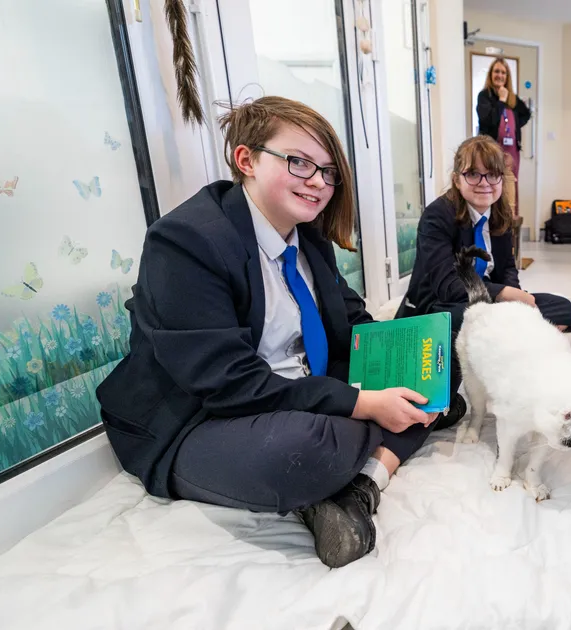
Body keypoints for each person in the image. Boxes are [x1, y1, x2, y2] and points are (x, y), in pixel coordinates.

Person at [96, 96, 443, 569]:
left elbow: (352, 326)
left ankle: (362, 485)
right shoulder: (186, 242)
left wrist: (410, 355)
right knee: (306, 447)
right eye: (299, 162)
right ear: (246, 159)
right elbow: (228, 383)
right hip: (201, 419)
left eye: (328, 171)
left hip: (297, 387)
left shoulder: (308, 236)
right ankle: (353, 460)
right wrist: (364, 403)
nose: (319, 182)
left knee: (446, 359)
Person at [396, 136, 571, 426]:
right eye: (473, 173)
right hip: (441, 305)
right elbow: (448, 285)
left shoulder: (499, 213)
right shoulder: (437, 216)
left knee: (560, 307)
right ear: (457, 180)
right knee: (472, 321)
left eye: (492, 174)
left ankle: (564, 334)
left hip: (489, 305)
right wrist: (508, 297)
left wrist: (516, 301)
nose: (484, 182)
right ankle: (565, 338)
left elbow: (507, 268)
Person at [476, 58, 530, 213]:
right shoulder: (484, 96)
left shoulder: (512, 98)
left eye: (503, 72)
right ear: (491, 74)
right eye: (497, 71)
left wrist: (514, 127)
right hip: (491, 151)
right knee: (493, 186)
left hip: (512, 152)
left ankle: (510, 222)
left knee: (511, 187)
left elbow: (526, 114)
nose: (500, 75)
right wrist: (500, 100)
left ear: (507, 76)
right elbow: (488, 120)